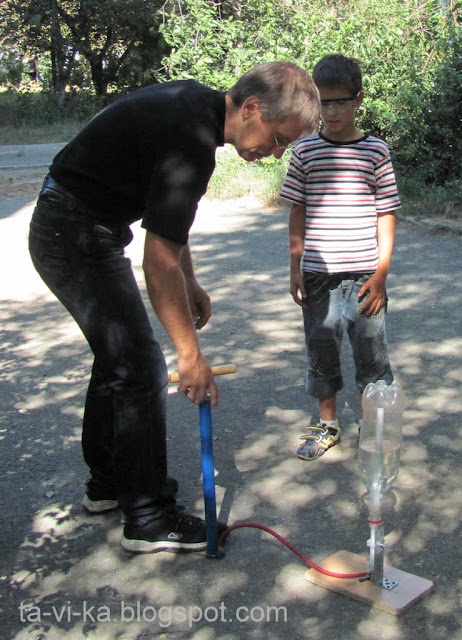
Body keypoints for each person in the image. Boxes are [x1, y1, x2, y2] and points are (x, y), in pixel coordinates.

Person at [28, 62, 320, 553]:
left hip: (77, 224)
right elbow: (157, 260)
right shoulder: (192, 142)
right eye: (276, 139)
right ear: (251, 109)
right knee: (140, 366)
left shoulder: (194, 109)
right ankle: (146, 517)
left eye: (284, 147)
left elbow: (167, 227)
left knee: (119, 359)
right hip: (72, 233)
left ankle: (108, 485)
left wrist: (191, 281)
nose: (274, 153)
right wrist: (191, 355)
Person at [280, 54, 400, 461]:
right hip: (318, 274)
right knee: (321, 348)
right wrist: (295, 267)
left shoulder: (376, 151)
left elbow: (387, 213)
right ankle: (327, 424)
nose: (331, 111)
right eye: (323, 102)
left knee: (371, 349)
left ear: (358, 100)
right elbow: (297, 208)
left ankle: (374, 425)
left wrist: (381, 273)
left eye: (340, 101)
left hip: (366, 273)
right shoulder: (305, 150)